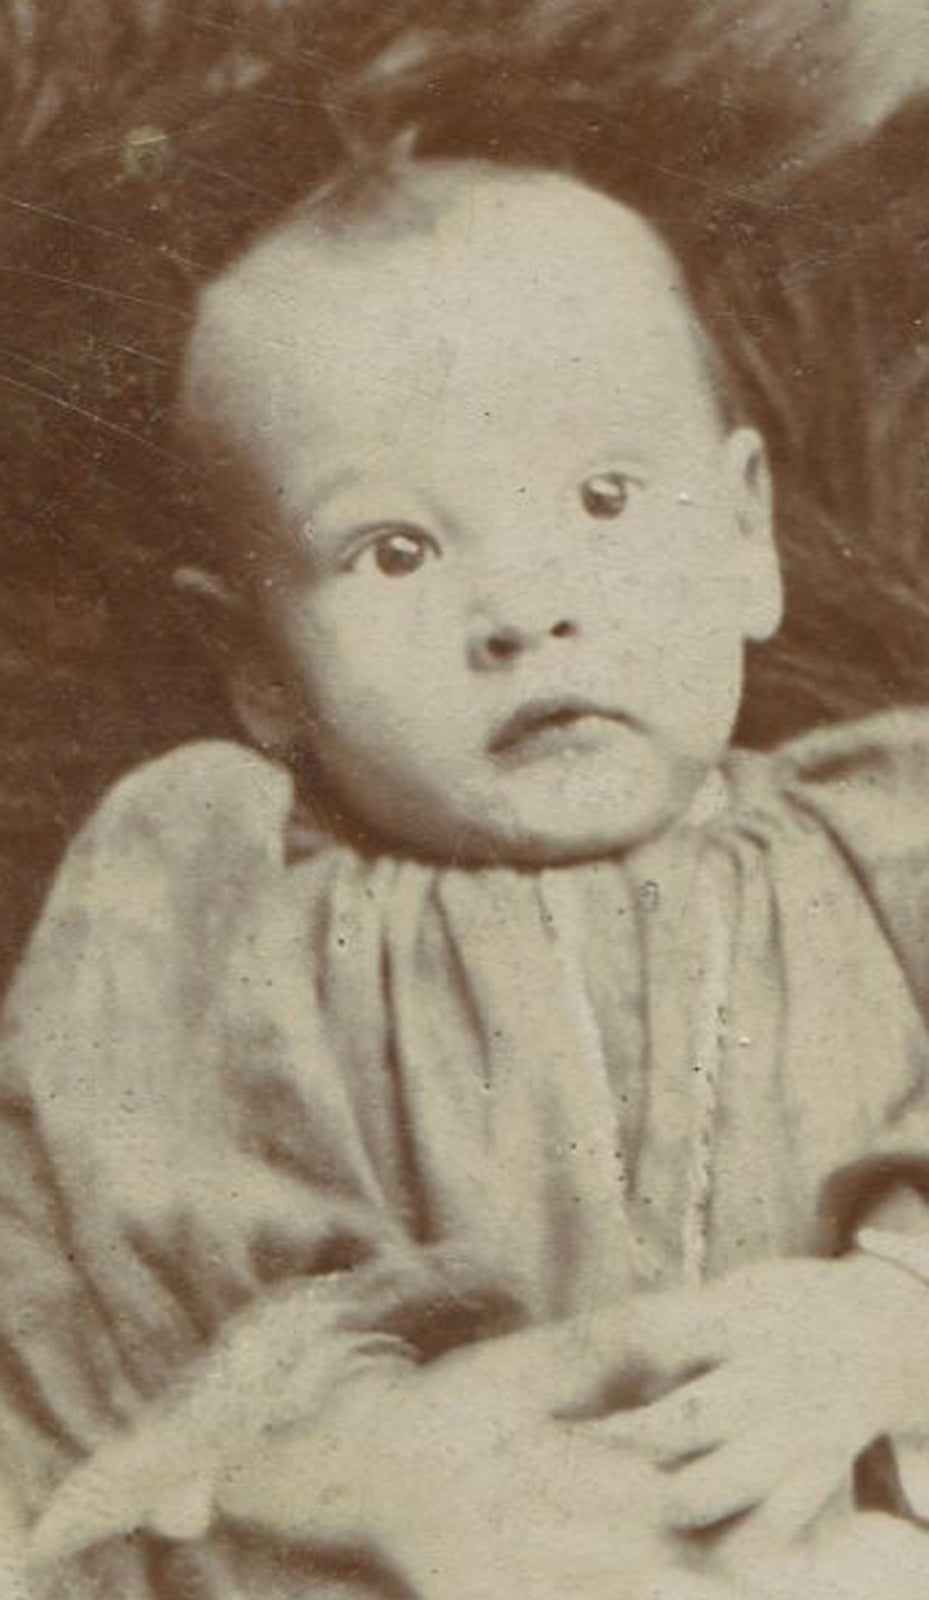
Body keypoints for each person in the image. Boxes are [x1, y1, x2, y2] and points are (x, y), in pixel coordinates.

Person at [5, 149, 929, 1600]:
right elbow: (92, 1320)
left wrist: (893, 1318)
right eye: (393, 551)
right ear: (260, 672)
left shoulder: (894, 841)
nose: (522, 608)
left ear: (747, 532)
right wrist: (347, 1460)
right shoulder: (224, 925)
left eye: (604, 498)